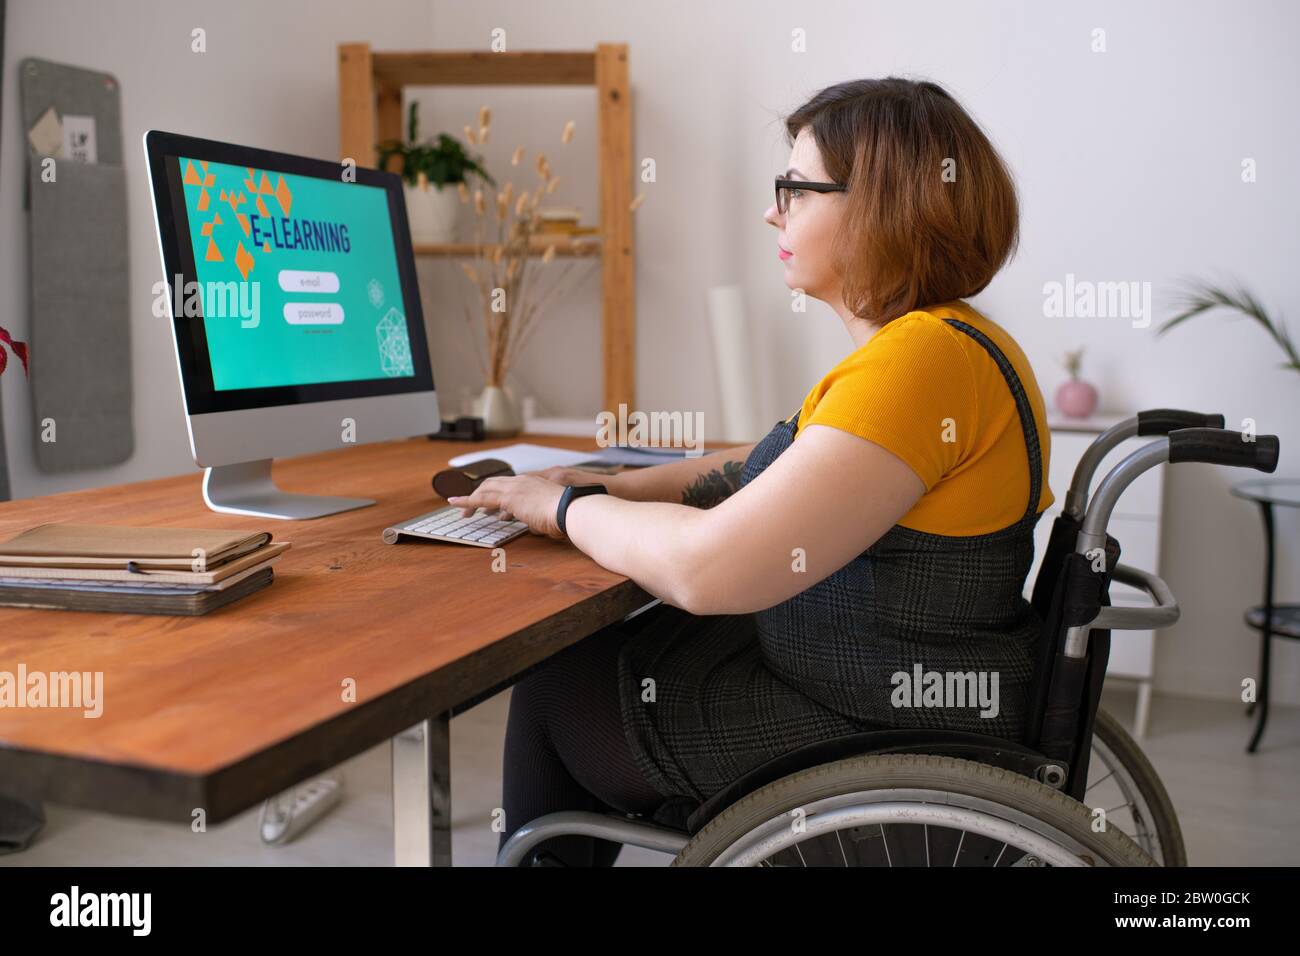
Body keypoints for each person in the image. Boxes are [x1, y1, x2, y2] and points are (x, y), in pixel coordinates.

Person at [446, 77, 1053, 866]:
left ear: (881, 204)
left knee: (560, 683)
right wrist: (615, 489)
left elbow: (707, 569)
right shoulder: (945, 344)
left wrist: (561, 512)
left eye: (796, 190)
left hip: (872, 725)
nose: (774, 211)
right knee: (612, 652)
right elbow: (773, 462)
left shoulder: (921, 362)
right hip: (891, 691)